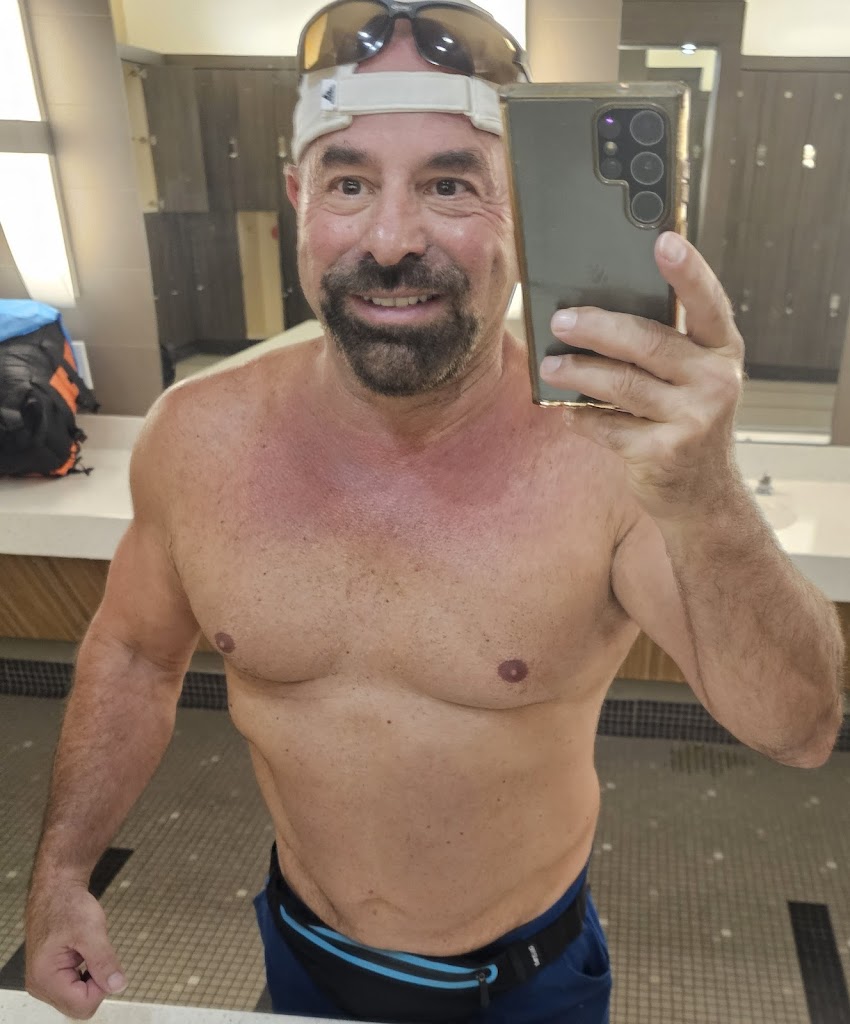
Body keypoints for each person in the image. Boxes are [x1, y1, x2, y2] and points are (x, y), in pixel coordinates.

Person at [25, 1, 846, 1022]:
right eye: (350, 183)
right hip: (302, 952)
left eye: (450, 184)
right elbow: (137, 655)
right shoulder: (196, 437)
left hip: (528, 982)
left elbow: (798, 730)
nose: (391, 240)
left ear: (523, 211)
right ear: (299, 199)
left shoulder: (608, 460)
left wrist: (708, 495)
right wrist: (62, 873)